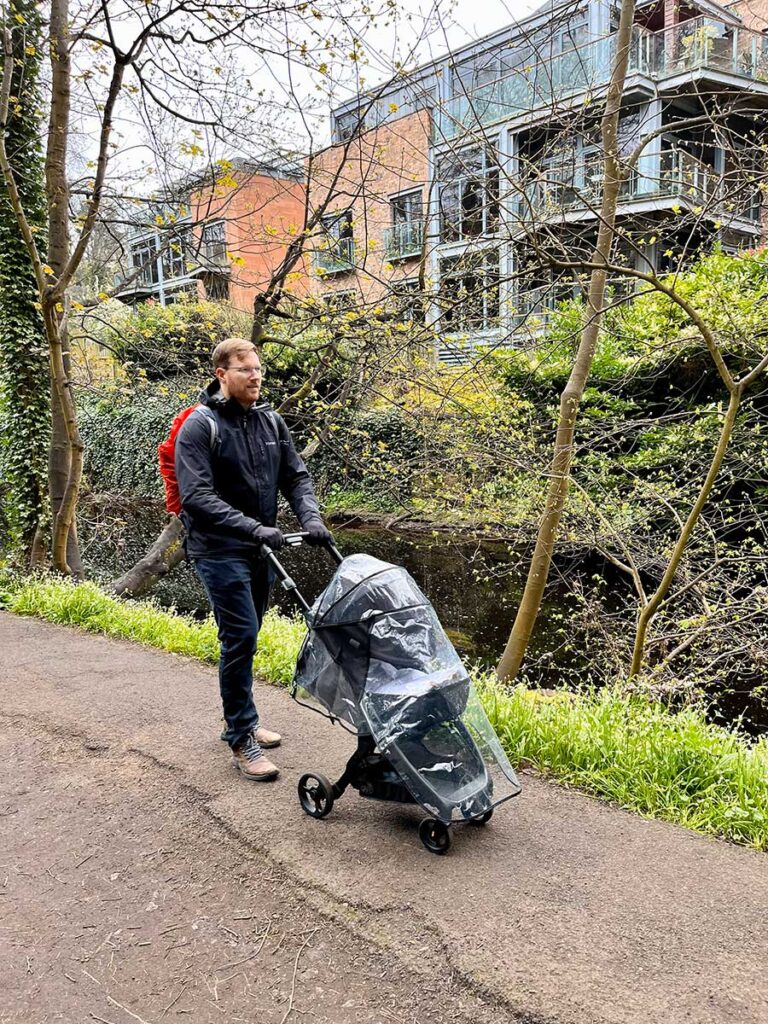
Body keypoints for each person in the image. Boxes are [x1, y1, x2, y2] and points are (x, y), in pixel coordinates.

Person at [175, 337, 332, 782]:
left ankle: (239, 716)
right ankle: (240, 736)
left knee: (249, 632)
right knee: (241, 635)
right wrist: (253, 527)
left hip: (260, 546)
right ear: (222, 375)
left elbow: (296, 476)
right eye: (246, 369)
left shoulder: (271, 422)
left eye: (259, 368)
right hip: (219, 549)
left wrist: (311, 517)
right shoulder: (200, 426)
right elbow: (197, 497)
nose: (256, 376)